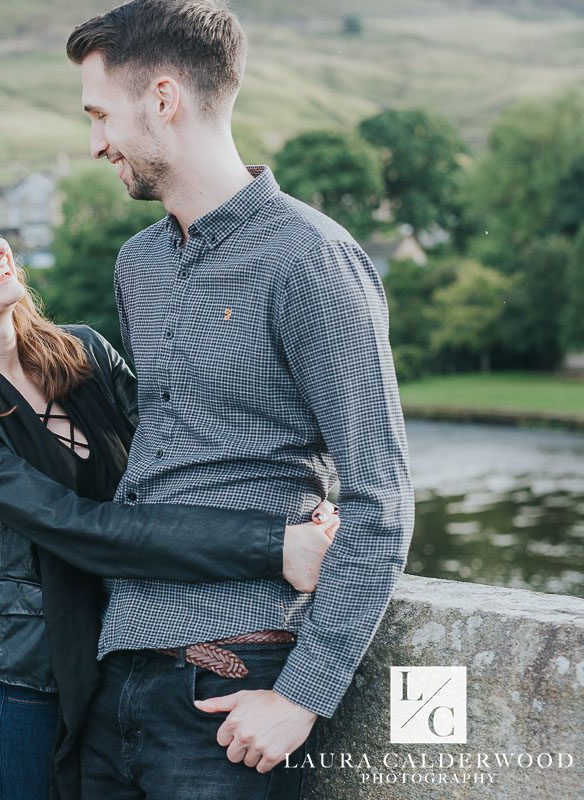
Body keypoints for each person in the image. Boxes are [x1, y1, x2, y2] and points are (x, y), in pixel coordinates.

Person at [0, 181, 342, 800]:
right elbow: (82, 529)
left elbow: (180, 458)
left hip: (127, 667)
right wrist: (272, 545)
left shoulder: (87, 354)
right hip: (27, 698)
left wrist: (305, 498)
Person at [63, 1, 416, 798]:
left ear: (162, 99)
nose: (95, 144)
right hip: (115, 680)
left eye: (100, 115)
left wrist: (301, 695)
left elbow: (382, 498)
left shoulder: (312, 260)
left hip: (230, 688)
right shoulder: (138, 265)